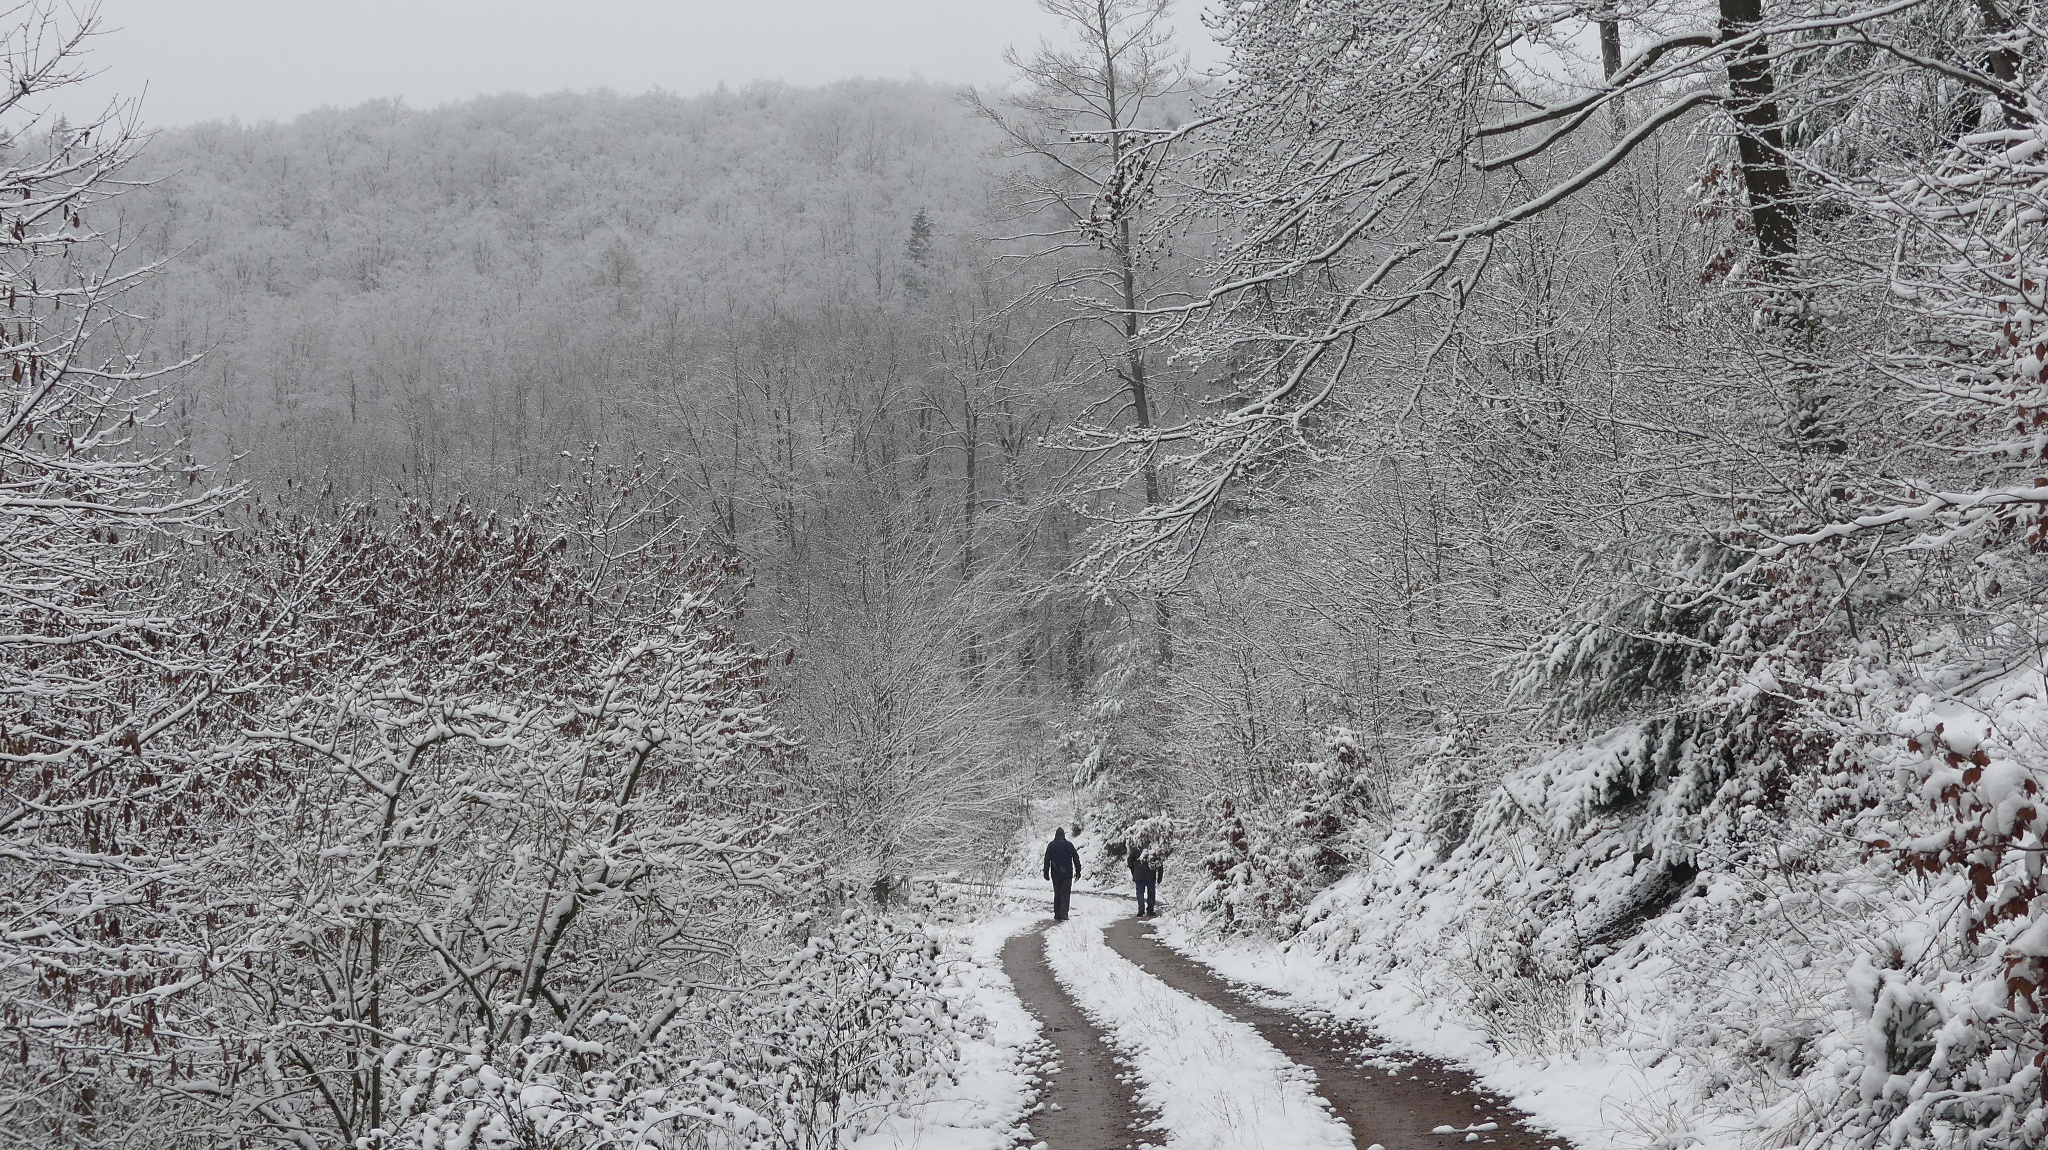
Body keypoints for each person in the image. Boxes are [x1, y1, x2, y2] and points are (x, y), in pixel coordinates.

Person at [1043, 828, 1082, 921]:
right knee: (1065, 893)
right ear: (1064, 835)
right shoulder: (1069, 845)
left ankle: (1057, 914)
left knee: (1057, 893)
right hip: (1067, 873)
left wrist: (1046, 873)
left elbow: (1047, 860)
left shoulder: (1051, 845)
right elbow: (1076, 858)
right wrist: (1078, 871)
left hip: (1055, 873)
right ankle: (1064, 913)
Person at [1128, 844, 1161, 918]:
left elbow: (1129, 861)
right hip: (1151, 875)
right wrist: (1160, 876)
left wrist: (1134, 871)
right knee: (1151, 893)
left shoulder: (1136, 850)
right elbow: (1159, 863)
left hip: (1139, 876)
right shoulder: (1153, 849)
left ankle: (1141, 909)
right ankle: (1150, 910)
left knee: (1140, 893)